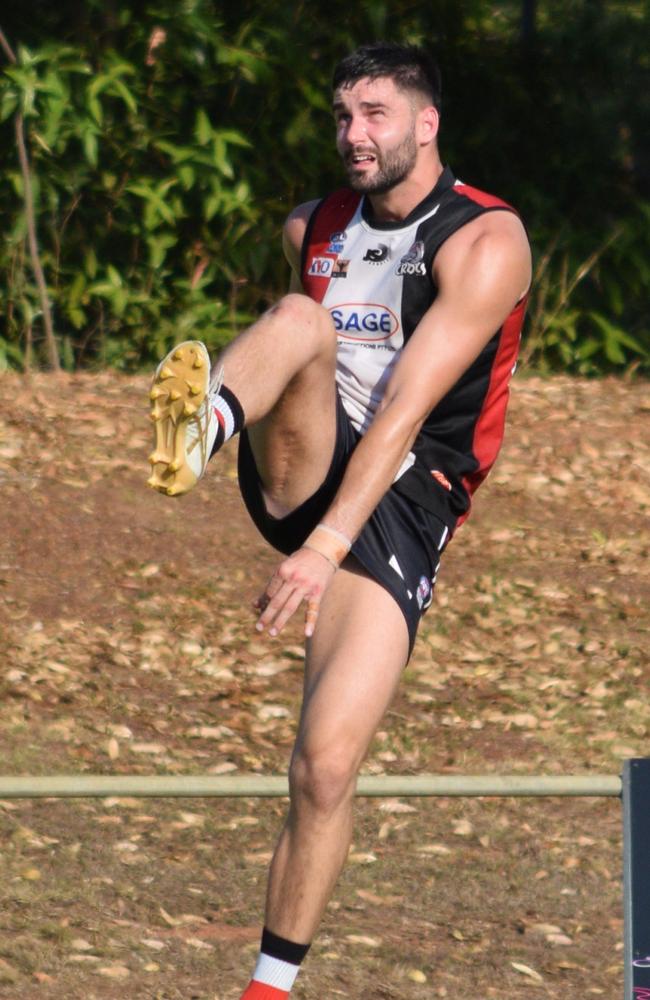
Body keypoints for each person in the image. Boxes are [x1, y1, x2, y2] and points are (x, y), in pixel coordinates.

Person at [147, 41, 531, 1000]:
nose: (353, 136)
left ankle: (268, 988)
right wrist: (300, 505)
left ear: (425, 123)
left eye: (374, 116)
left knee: (322, 766)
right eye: (341, 117)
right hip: (304, 464)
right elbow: (309, 352)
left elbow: (404, 413)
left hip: (405, 498)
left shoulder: (486, 241)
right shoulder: (310, 226)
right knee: (301, 319)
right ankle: (207, 427)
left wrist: (323, 551)